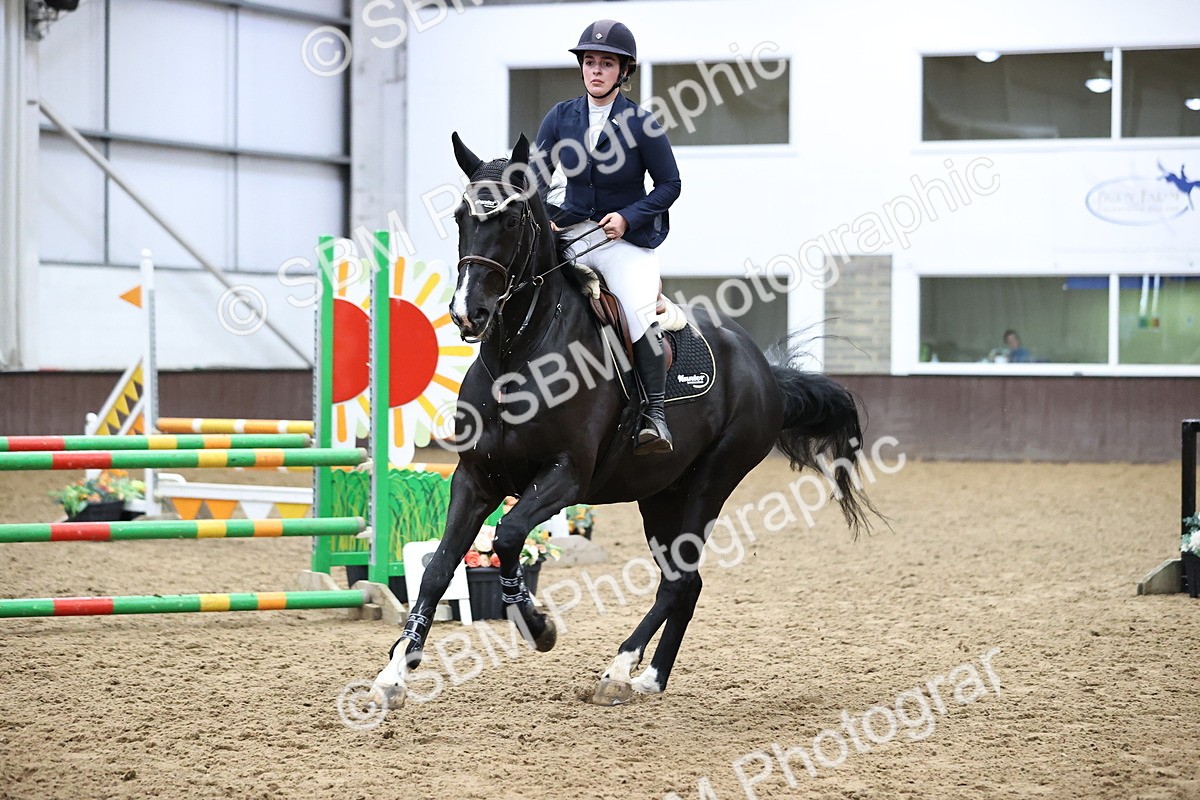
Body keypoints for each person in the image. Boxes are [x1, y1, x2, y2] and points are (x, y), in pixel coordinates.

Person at [528, 19, 682, 455]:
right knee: (527, 285)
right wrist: (546, 220)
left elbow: (670, 185)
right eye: (590, 62)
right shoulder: (560, 116)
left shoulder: (642, 122)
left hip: (623, 243)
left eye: (607, 64)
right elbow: (538, 179)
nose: (596, 70)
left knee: (636, 312)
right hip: (573, 232)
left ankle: (655, 415)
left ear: (623, 72)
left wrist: (628, 219)